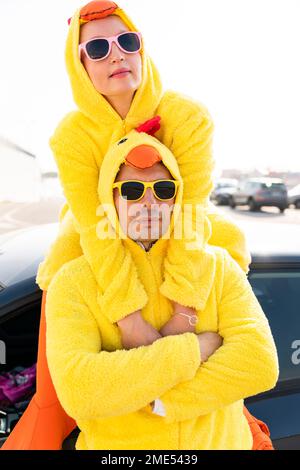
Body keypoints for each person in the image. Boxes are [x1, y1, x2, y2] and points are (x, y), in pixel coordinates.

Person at [0, 0, 266, 450]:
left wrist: (183, 309)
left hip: (185, 231)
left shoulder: (187, 115)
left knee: (223, 281)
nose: (116, 55)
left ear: (142, 48)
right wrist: (129, 318)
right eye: (98, 48)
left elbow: (190, 209)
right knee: (56, 370)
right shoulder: (72, 135)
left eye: (127, 41)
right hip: (97, 236)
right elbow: (92, 222)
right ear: (78, 62)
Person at [43, 122, 279, 450]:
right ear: (109, 197)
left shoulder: (217, 266)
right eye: (132, 190)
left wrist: (160, 402)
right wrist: (196, 349)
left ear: (177, 196)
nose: (149, 202)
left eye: (163, 190)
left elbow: (259, 363)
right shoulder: (74, 281)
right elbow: (80, 390)